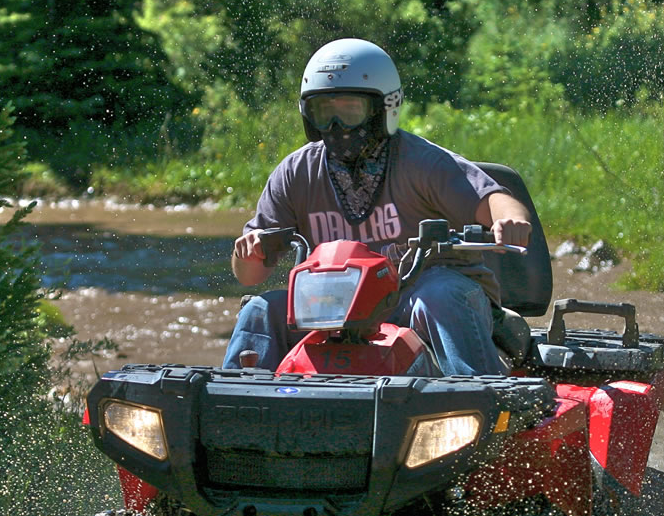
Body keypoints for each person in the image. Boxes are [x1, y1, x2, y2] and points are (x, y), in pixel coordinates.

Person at [222, 38, 533, 375]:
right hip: (332, 312)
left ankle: (480, 400)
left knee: (440, 296)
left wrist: (510, 221)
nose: (337, 127)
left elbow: (495, 200)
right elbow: (250, 276)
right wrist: (248, 255)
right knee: (259, 309)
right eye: (325, 113)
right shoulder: (296, 173)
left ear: (384, 108)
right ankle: (234, 406)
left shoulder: (423, 162)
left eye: (349, 111)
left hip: (416, 300)